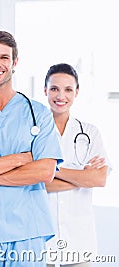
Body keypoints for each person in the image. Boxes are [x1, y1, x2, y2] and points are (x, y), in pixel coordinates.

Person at [0, 30, 63, 267]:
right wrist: (20, 159)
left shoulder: (38, 114)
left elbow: (44, 172)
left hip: (28, 232)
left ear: (14, 62)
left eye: (4, 57)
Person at [43, 63, 110, 267]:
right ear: (45, 90)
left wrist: (51, 170)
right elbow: (35, 182)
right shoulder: (34, 132)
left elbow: (98, 179)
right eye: (54, 89)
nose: (60, 96)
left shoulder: (90, 133)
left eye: (68, 89)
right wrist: (82, 177)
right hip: (42, 243)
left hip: (79, 243)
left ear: (77, 92)